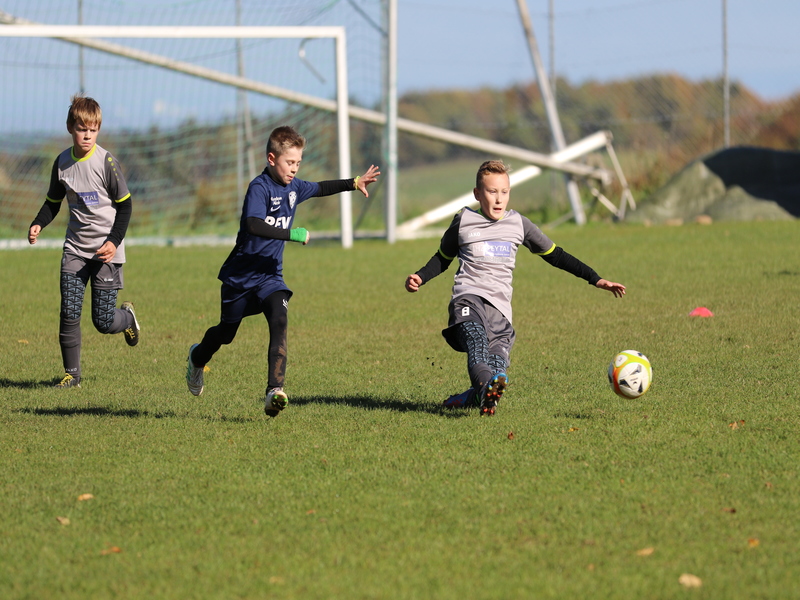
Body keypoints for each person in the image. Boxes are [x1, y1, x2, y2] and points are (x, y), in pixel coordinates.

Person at [405, 160, 625, 416]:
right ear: (477, 194)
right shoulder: (463, 221)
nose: (499, 199)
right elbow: (442, 258)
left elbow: (556, 255)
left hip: (500, 312)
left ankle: (473, 396)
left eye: (504, 192)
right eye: (492, 192)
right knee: (477, 344)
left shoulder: (518, 224)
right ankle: (485, 389)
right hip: (468, 300)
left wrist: (595, 278)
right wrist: (420, 276)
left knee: (497, 369)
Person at [186, 125, 379, 417]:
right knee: (225, 333)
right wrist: (291, 234)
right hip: (240, 278)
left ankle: (274, 391)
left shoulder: (294, 187)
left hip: (270, 276)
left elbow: (320, 188)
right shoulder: (259, 188)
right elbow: (253, 224)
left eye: (298, 162)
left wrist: (353, 182)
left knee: (279, 319)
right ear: (271, 158)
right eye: (290, 162)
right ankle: (197, 358)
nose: (294, 169)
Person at [28, 95, 140, 389]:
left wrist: (113, 242)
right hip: (75, 249)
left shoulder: (106, 162)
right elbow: (52, 202)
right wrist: (39, 222)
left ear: (98, 129)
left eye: (93, 129)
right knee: (69, 310)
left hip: (106, 252)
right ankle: (72, 375)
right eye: (82, 129)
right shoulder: (62, 163)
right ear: (71, 128)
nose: (88, 135)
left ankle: (127, 319)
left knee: (103, 322)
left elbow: (126, 206)